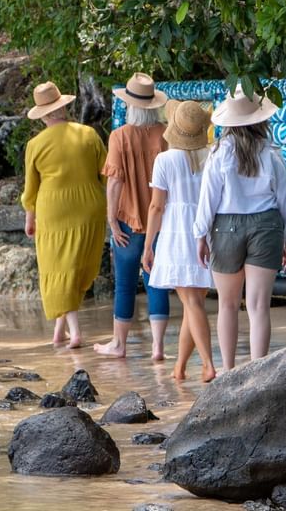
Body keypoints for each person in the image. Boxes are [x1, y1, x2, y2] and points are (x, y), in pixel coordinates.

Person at [193, 85, 286, 370]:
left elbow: (207, 199)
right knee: (259, 306)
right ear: (261, 120)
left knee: (227, 305)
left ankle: (227, 371)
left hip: (226, 227)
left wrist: (200, 234)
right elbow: (284, 199)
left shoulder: (219, 154)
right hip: (266, 225)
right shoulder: (272, 155)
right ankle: (258, 372)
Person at [21, 81, 107, 348]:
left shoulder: (35, 144)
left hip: (55, 212)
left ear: (44, 114)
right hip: (90, 208)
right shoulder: (88, 135)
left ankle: (76, 332)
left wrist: (29, 218)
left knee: (58, 268)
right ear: (64, 107)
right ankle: (59, 331)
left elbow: (30, 191)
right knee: (75, 267)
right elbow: (106, 173)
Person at [94, 72, 170, 359]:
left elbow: (114, 182)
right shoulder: (165, 133)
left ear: (130, 105)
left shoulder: (119, 136)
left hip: (127, 217)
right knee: (156, 280)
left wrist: (112, 219)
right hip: (160, 218)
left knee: (125, 283)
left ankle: (119, 345)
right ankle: (158, 347)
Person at [142, 100, 216, 382]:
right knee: (192, 302)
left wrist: (148, 246)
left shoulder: (165, 160)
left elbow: (156, 207)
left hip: (177, 232)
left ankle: (208, 364)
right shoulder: (211, 155)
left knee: (191, 302)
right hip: (207, 230)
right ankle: (180, 368)